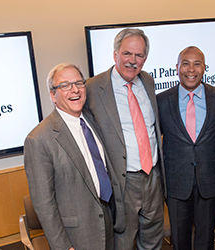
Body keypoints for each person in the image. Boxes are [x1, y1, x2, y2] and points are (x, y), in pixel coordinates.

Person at [84, 28, 166, 250]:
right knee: (123, 241)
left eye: (139, 55)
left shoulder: (147, 81)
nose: (133, 61)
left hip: (153, 177)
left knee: (153, 237)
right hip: (122, 181)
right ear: (115, 54)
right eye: (127, 54)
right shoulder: (93, 88)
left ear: (145, 58)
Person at [24, 63, 118, 250]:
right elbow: (44, 204)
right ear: (53, 95)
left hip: (108, 223)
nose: (74, 90)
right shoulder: (39, 139)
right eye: (65, 85)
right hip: (76, 237)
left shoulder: (93, 121)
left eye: (79, 83)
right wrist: (63, 246)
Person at [157, 46, 215, 250]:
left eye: (197, 64)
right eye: (185, 63)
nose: (191, 69)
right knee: (179, 240)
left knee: (205, 239)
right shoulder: (161, 101)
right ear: (177, 67)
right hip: (176, 183)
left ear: (204, 68)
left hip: (210, 181)